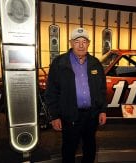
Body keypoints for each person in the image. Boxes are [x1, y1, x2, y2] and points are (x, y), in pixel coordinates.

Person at [45, 27, 107, 163]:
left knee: (90, 147)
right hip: (70, 116)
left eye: (84, 41)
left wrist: (102, 110)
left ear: (88, 44)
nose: (80, 45)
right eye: (77, 41)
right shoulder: (60, 63)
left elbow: (102, 89)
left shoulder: (95, 63)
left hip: (91, 116)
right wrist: (54, 116)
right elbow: (51, 92)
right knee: (69, 149)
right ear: (71, 43)